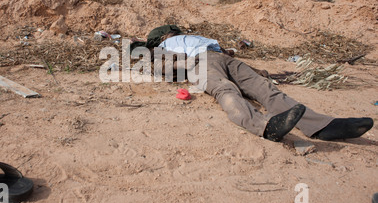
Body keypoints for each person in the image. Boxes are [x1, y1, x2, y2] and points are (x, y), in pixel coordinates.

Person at [134, 25, 374, 142]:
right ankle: (264, 127)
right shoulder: (161, 49)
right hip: (198, 63)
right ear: (161, 39)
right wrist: (186, 66)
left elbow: (223, 49)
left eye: (173, 32)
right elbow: (153, 66)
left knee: (265, 88)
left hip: (224, 59)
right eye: (169, 34)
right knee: (226, 90)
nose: (173, 34)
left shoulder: (194, 37)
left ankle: (322, 126)